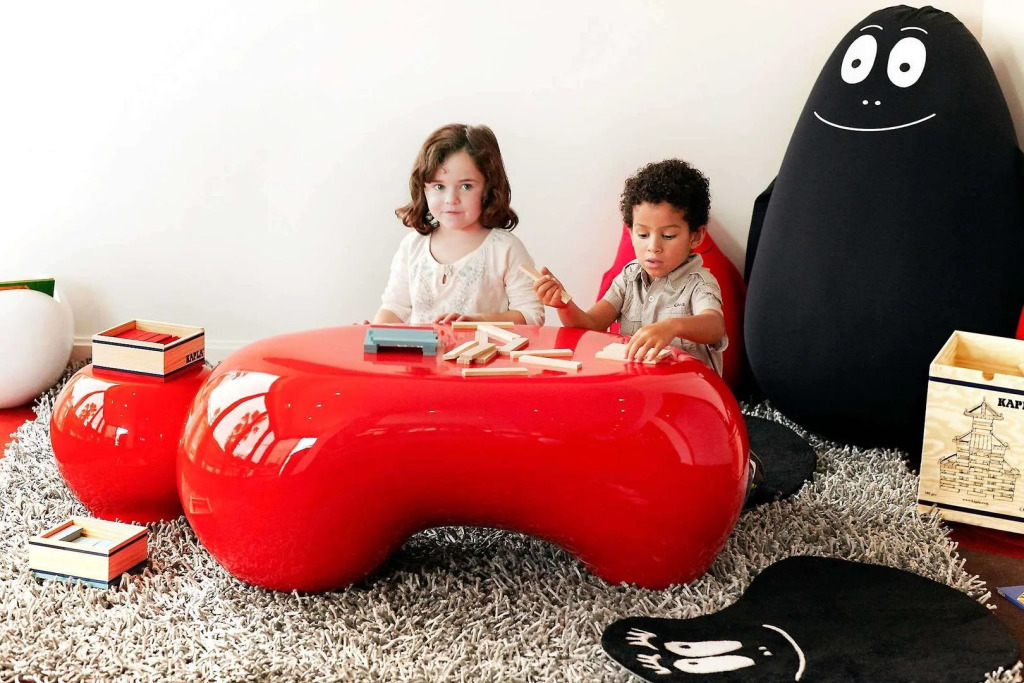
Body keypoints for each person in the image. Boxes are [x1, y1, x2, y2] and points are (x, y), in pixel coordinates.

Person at [533, 159, 727, 373]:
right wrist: (563, 304)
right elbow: (590, 325)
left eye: (668, 236)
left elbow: (714, 325)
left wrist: (672, 327)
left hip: (687, 388)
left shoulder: (699, 283)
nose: (653, 247)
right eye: (643, 234)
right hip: (637, 386)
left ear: (696, 236)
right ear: (631, 232)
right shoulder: (628, 278)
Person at [372, 124, 544, 326]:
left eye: (466, 186)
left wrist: (477, 321)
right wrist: (374, 332)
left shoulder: (506, 249)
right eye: (439, 186)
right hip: (421, 348)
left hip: (486, 348)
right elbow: (394, 308)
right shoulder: (412, 247)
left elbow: (531, 315)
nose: (451, 199)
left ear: (488, 188)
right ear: (424, 189)